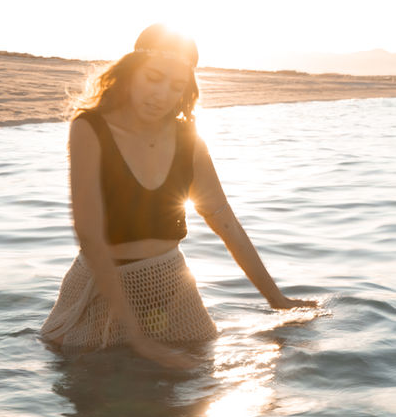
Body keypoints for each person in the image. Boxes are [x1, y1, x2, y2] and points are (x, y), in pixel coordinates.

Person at [41, 24, 316, 369]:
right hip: (101, 292)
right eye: (153, 78)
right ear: (129, 72)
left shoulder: (189, 140)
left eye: (176, 86)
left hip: (170, 289)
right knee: (98, 382)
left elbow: (226, 223)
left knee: (200, 385)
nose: (162, 95)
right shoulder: (90, 127)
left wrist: (277, 300)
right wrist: (139, 339)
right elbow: (90, 236)